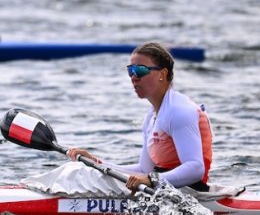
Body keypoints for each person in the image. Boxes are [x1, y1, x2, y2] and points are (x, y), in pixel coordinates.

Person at [66, 42, 213, 192]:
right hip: (163, 188)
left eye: (141, 70)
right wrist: (97, 163)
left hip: (191, 191)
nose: (134, 77)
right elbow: (143, 169)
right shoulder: (152, 115)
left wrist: (151, 180)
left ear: (162, 74)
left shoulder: (179, 111)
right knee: (81, 170)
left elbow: (195, 169)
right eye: (131, 71)